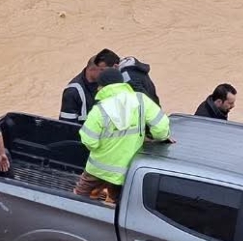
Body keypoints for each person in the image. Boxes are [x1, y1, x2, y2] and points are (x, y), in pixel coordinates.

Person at [74, 69, 171, 204]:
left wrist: (99, 147)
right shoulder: (141, 100)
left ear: (102, 87)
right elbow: (161, 128)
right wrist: (159, 138)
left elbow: (89, 140)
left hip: (97, 168)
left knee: (78, 197)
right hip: (126, 170)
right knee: (116, 200)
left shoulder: (100, 109)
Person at [60, 49, 120, 124]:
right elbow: (67, 127)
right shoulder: (73, 92)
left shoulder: (109, 84)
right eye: (104, 71)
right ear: (92, 69)